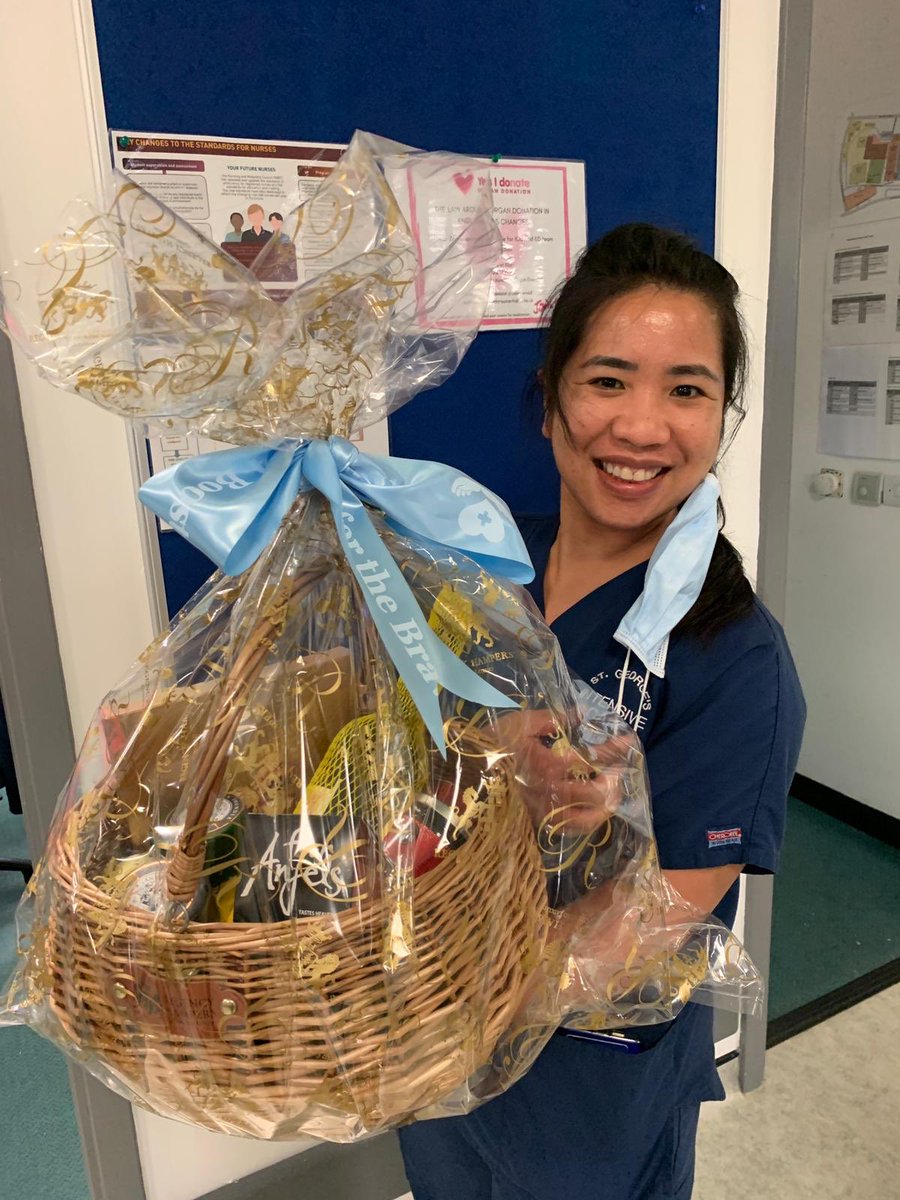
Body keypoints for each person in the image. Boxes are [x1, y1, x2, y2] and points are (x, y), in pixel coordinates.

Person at [398, 224, 806, 1199]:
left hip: (587, 1088)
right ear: (550, 402)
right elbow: (400, 765)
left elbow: (649, 933)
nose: (642, 426)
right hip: (434, 1047)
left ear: (722, 418)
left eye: (687, 389)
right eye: (609, 379)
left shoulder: (734, 659)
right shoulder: (481, 577)